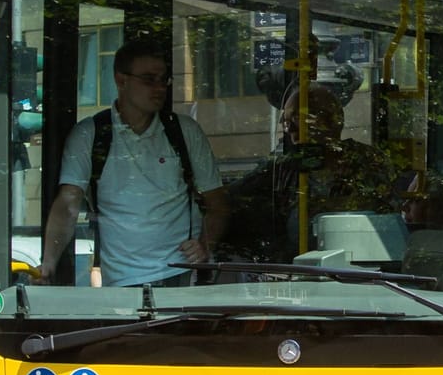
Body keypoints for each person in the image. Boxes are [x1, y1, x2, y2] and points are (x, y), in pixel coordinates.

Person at [35, 38, 230, 286]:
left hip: (181, 274)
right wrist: (48, 263)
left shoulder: (184, 131)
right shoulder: (91, 134)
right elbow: (68, 204)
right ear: (121, 80)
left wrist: (204, 244)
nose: (159, 88)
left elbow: (218, 203)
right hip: (120, 282)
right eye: (149, 79)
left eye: (164, 80)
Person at [229, 86, 396, 261]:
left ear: (333, 120)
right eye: (286, 122)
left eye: (297, 119)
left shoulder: (369, 162)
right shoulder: (285, 168)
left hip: (363, 267)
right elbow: (231, 195)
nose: (290, 129)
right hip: (296, 270)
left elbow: (385, 218)